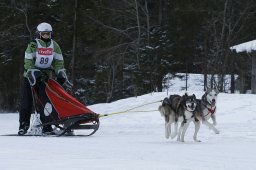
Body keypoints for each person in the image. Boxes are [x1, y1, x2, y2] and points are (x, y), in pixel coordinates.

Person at [18, 22, 67, 135]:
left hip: (45, 77)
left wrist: (60, 72)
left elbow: (58, 61)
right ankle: (23, 126)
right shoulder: (33, 45)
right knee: (26, 102)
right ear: (39, 34)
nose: (46, 36)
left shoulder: (55, 45)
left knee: (46, 102)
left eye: (48, 34)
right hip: (30, 77)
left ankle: (47, 126)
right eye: (44, 34)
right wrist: (32, 71)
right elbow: (28, 61)